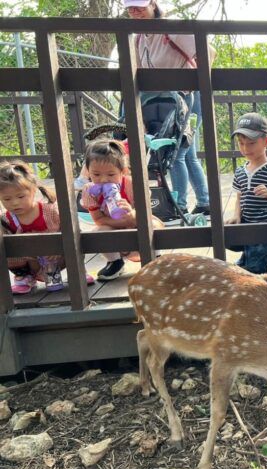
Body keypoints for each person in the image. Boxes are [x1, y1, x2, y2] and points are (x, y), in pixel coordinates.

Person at [125, 0, 212, 216]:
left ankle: (179, 204)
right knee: (187, 152)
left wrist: (193, 82)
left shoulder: (172, 30)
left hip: (185, 99)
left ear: (153, 5)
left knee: (177, 153)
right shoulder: (140, 38)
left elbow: (208, 52)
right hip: (162, 101)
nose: (136, 12)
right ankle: (204, 201)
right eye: (131, 8)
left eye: (140, 7)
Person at [0, 161, 95, 294]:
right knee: (7, 244)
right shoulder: (5, 219)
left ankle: (78, 271)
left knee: (74, 238)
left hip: (57, 258)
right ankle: (23, 277)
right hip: (29, 262)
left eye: (21, 196)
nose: (15, 203)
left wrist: (58, 247)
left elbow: (68, 230)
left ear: (33, 190)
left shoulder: (50, 211)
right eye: (7, 199)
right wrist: (18, 242)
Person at [80, 139, 164, 281]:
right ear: (88, 172)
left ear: (123, 171)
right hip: (112, 227)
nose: (103, 180)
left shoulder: (130, 184)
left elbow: (145, 210)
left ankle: (154, 259)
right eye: (96, 174)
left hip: (138, 223)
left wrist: (132, 214)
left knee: (153, 226)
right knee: (98, 233)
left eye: (111, 174)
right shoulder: (90, 191)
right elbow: (98, 219)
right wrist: (121, 221)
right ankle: (115, 262)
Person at [225, 113, 267, 274]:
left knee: (253, 270)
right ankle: (250, 255)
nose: (245, 148)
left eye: (251, 143)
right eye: (241, 143)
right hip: (248, 227)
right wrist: (236, 215)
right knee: (237, 261)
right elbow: (239, 196)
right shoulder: (240, 171)